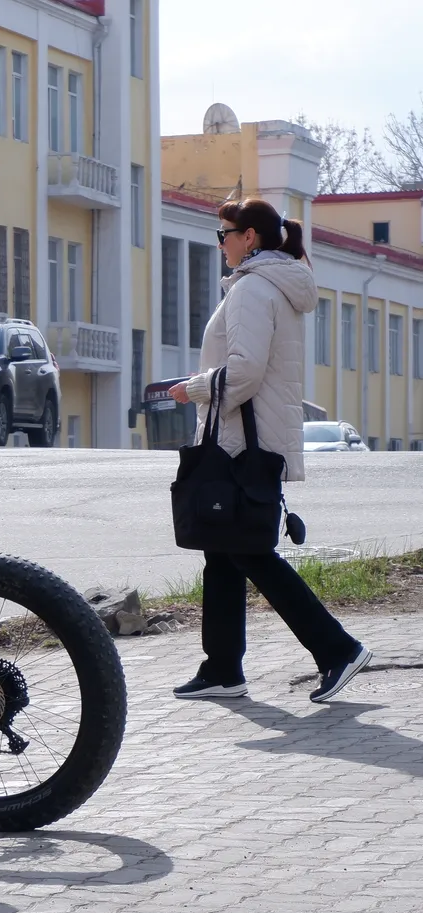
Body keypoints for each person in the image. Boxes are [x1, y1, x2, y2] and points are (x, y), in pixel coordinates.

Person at [168, 198, 372, 704]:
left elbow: (243, 372)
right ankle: (222, 669)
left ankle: (338, 649)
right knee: (223, 551)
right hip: (248, 439)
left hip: (242, 444)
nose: (221, 244)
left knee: (249, 552)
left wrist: (191, 388)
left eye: (224, 235)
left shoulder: (254, 289)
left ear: (250, 237)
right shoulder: (270, 284)